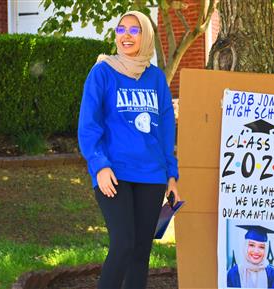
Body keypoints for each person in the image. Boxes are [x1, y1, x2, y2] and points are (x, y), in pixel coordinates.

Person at [77, 10, 180, 289]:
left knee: (140, 253)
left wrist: (172, 176)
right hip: (114, 173)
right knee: (123, 244)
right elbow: (89, 125)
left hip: (152, 176)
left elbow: (166, 130)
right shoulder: (102, 72)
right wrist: (99, 164)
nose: (126, 35)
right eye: (121, 29)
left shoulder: (156, 78)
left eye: (134, 31)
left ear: (145, 36)